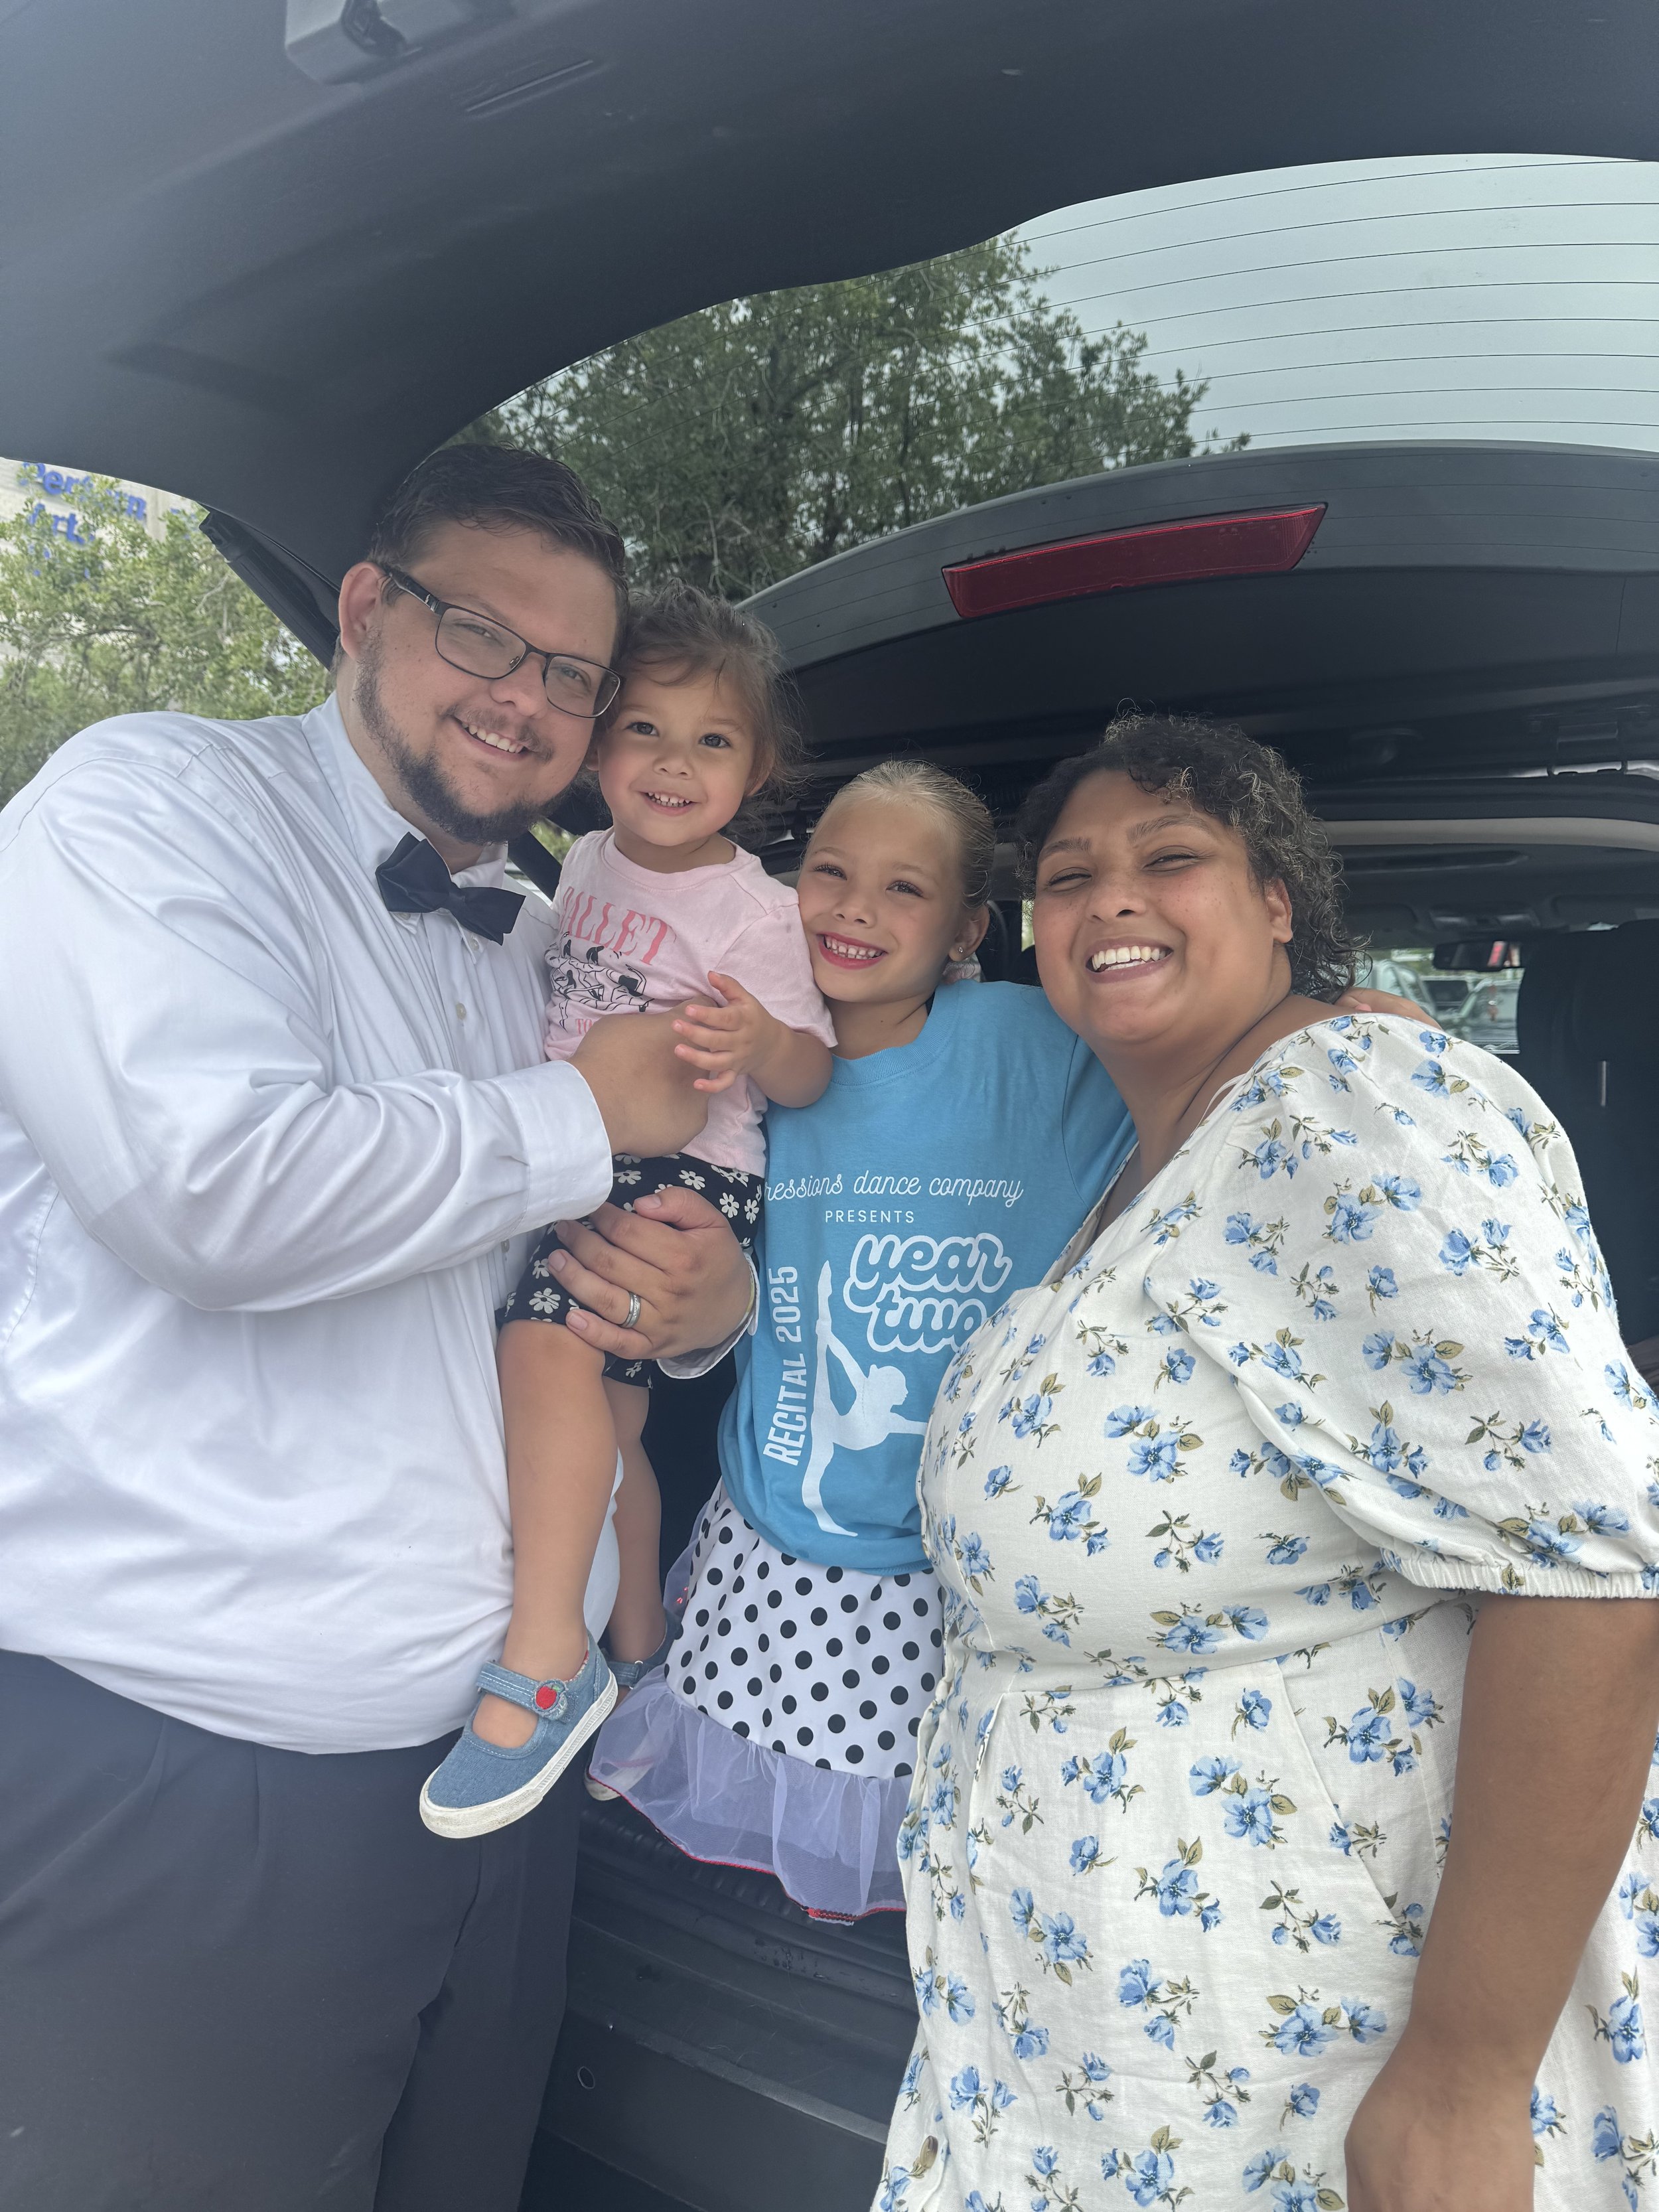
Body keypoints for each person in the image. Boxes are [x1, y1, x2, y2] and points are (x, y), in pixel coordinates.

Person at [0, 443, 753, 2212]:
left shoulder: (550, 930)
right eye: (484, 635)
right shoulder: (146, 804)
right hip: (197, 1764)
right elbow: (215, 1190)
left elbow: (558, 1255)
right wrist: (587, 1114)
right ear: (363, 609)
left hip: (512, 1762)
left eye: (573, 674)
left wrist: (705, 1307)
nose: (530, 701)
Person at [873, 714, 1659, 2212]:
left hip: (1320, 2055)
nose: (1108, 897)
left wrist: (1460, 2074)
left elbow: (1593, 1575)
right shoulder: (1147, 1160)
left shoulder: (1351, 1106)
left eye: (1169, 858)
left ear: (1278, 901)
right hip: (1108, 2046)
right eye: (1067, 874)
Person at [590, 759, 1133, 1915]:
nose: (852, 908)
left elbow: (1196, 1047)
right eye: (827, 873)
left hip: (936, 1572)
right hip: (768, 1545)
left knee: (899, 1866)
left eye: (902, 889)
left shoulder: (1032, 1043)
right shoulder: (742, 1051)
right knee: (753, 1872)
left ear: (965, 931)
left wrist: (1326, 1019)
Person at [420, 584, 835, 1838]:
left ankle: (547, 1662)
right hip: (581, 1151)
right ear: (595, 748)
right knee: (609, 1420)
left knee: (541, 1346)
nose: (673, 763)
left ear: (756, 767)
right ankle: (641, 1653)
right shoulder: (582, 865)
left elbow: (813, 1074)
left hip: (685, 1177)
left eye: (712, 740)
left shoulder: (756, 910)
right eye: (645, 730)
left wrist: (762, 1037)